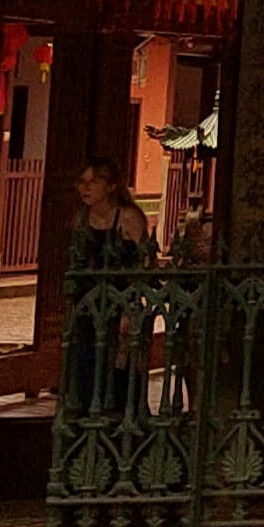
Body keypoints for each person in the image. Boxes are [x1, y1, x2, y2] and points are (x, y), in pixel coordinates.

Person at [58, 163, 158, 415]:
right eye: (82, 181)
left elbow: (144, 265)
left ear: (111, 185)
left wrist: (131, 308)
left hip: (119, 305)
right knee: (86, 369)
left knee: (119, 374)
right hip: (87, 307)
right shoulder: (81, 218)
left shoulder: (127, 217)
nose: (86, 187)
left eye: (94, 181)